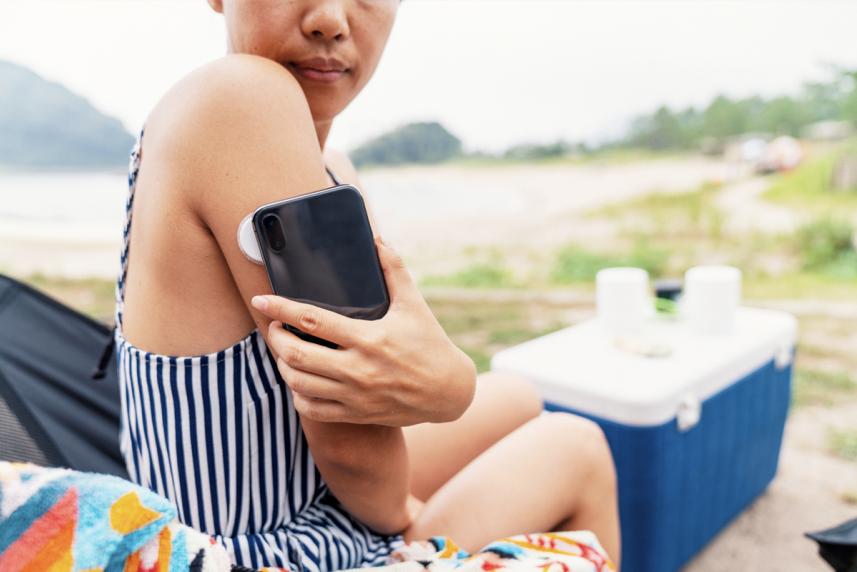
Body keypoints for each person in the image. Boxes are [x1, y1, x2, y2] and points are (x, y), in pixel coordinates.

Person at [113, 1, 621, 570]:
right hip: (256, 549)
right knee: (576, 448)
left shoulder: (331, 162)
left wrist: (446, 386)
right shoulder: (241, 96)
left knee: (519, 399)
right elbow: (354, 449)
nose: (330, 18)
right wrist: (413, 512)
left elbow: (391, 366)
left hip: (300, 489)